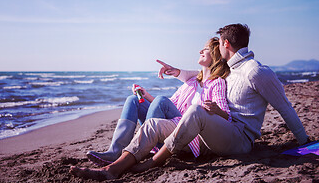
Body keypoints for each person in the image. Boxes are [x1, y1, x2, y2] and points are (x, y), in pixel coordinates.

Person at [70, 23, 309, 180]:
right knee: (153, 125)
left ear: (225, 44)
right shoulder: (229, 70)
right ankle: (113, 169)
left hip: (240, 138)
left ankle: (153, 161)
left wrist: (305, 142)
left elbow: (284, 107)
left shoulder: (256, 72)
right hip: (214, 131)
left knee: (195, 110)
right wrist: (176, 71)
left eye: (217, 43)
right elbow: (198, 76)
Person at [86, 37, 230, 166]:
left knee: (162, 99)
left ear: (215, 55)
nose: (200, 50)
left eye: (205, 49)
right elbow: (168, 106)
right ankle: (115, 151)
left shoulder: (217, 83)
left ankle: (148, 147)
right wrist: (146, 95)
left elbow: (227, 116)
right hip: (167, 124)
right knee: (133, 100)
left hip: (184, 134)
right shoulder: (192, 81)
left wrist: (215, 110)